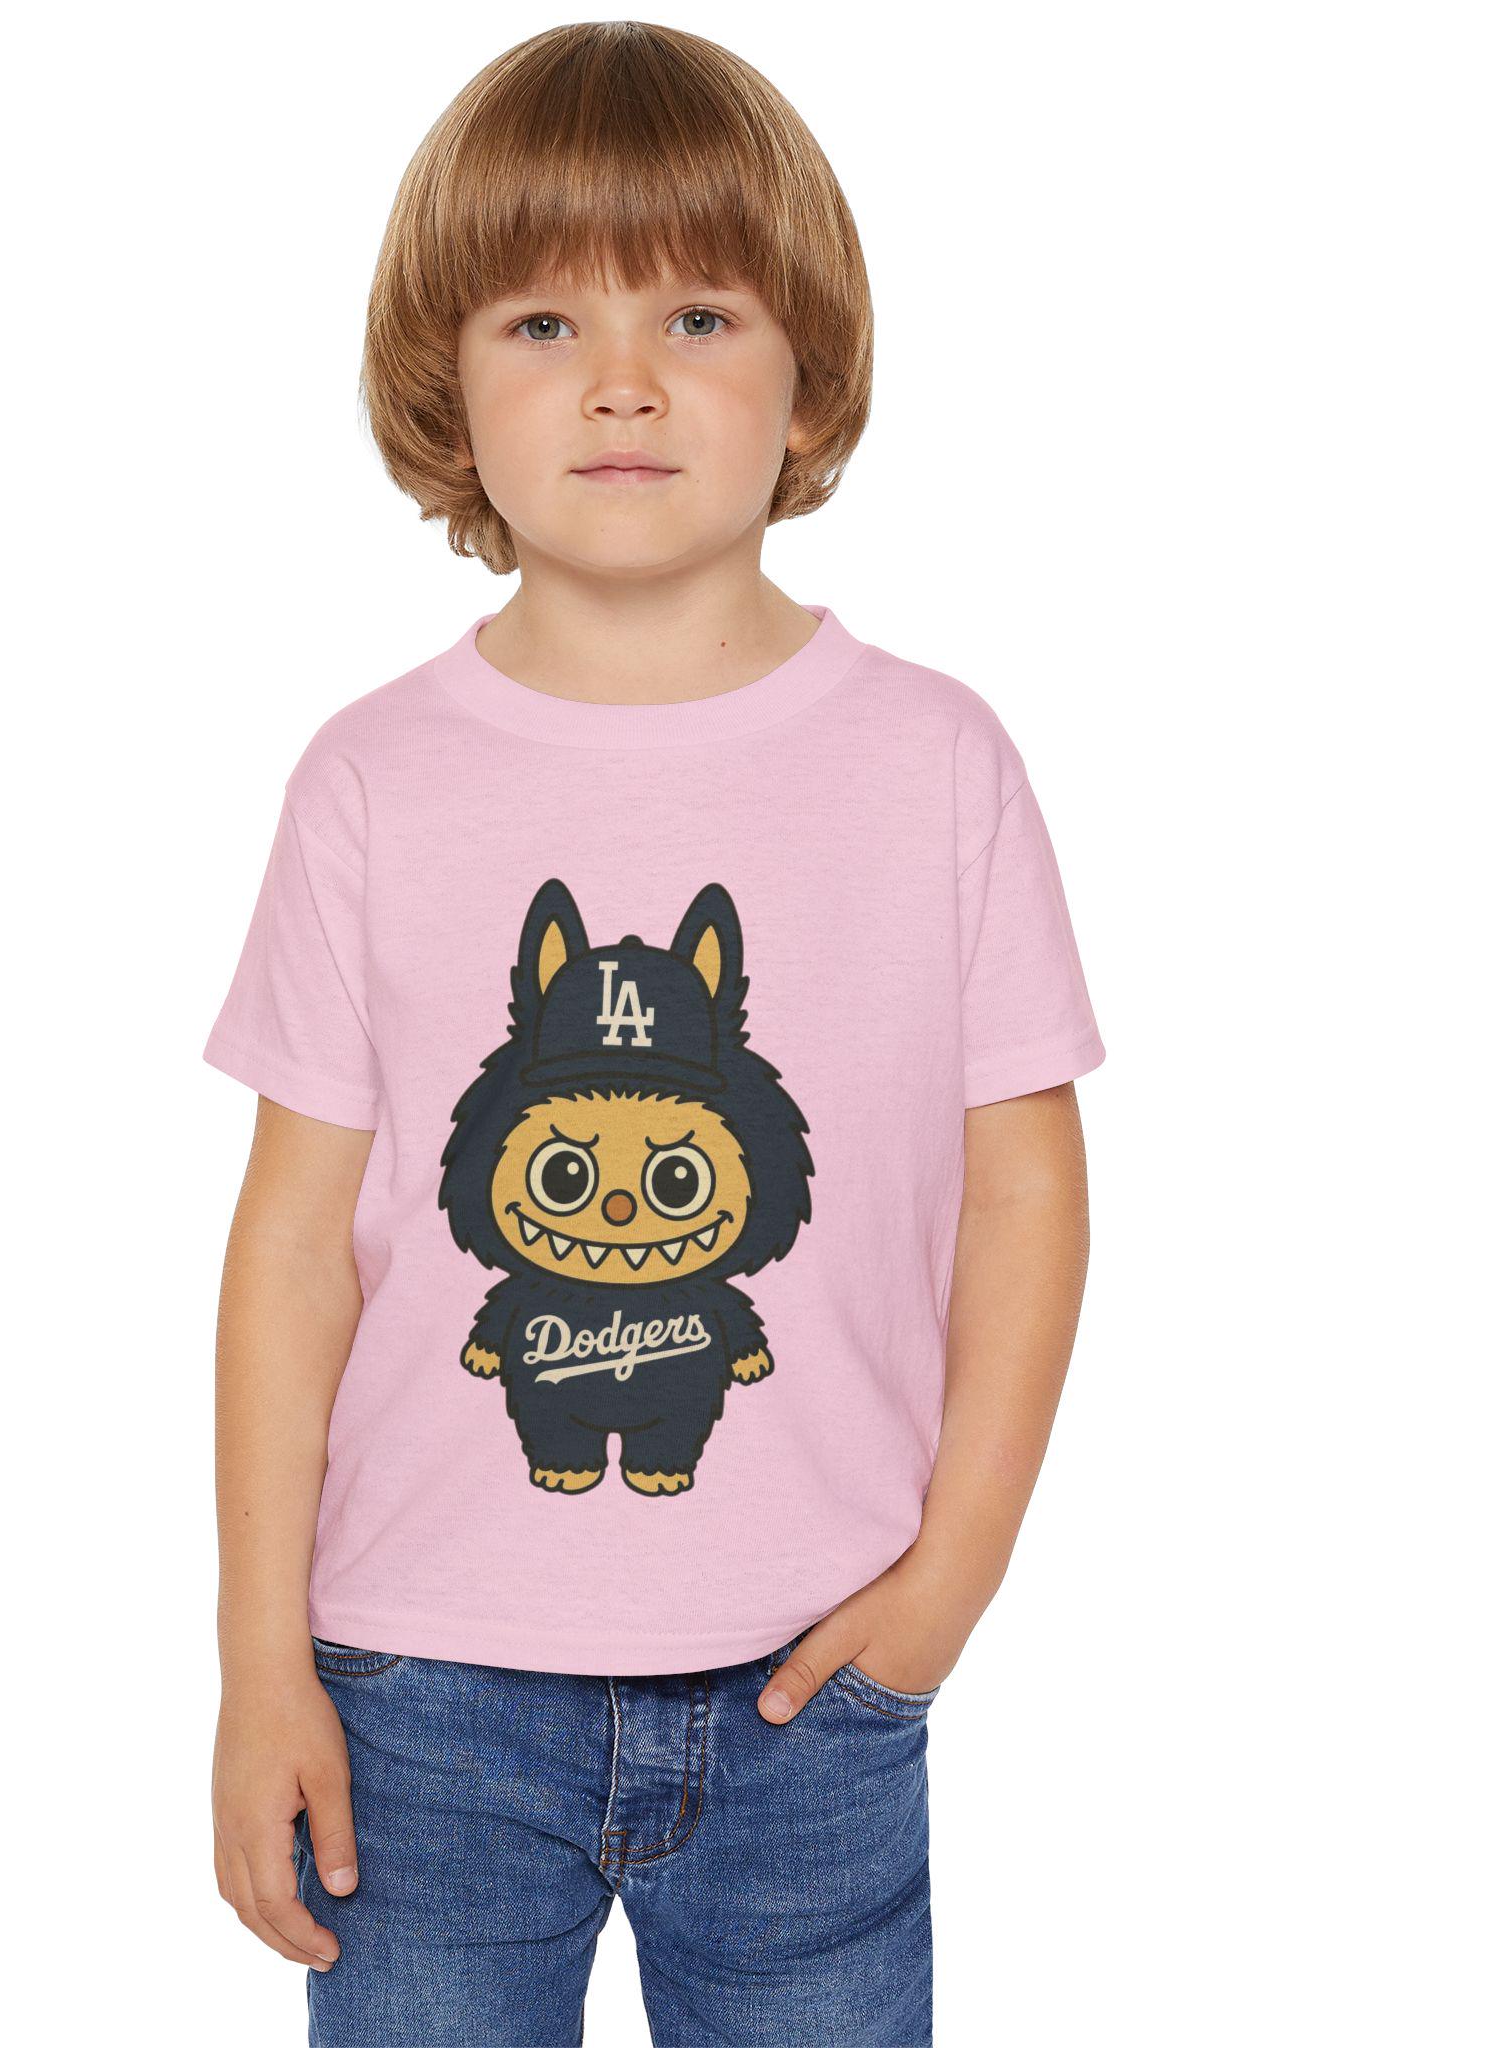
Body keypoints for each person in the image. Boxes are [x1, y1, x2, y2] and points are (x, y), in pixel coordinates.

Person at [205, 23, 1103, 2045]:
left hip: (816, 1679)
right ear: (446, 382)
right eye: (543, 320)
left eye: (697, 312)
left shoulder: (934, 764)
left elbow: (1024, 1192)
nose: (622, 378)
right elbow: (291, 1248)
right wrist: (261, 1663)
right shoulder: (372, 781)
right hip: (416, 1691)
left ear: (809, 374)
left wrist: (949, 1582)